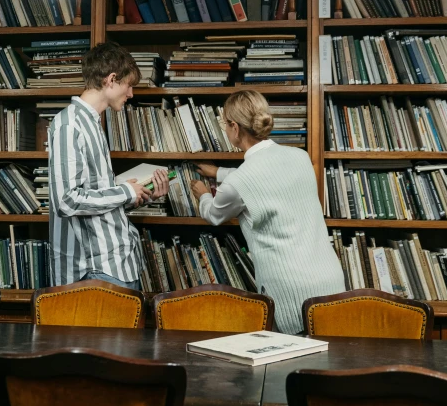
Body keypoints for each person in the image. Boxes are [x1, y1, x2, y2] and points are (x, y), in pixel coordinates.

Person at [190, 90, 345, 334]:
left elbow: (214, 214)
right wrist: (219, 172)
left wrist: (204, 194)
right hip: (331, 279)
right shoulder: (300, 157)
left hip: (291, 290)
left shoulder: (240, 181)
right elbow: (265, 177)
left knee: (291, 364)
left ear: (234, 127)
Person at [48, 41, 169, 290]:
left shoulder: (92, 124)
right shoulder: (69, 124)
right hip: (94, 270)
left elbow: (96, 195)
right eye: (129, 86)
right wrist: (125, 191)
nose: (131, 94)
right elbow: (66, 200)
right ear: (111, 80)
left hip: (115, 263)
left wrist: (139, 193)